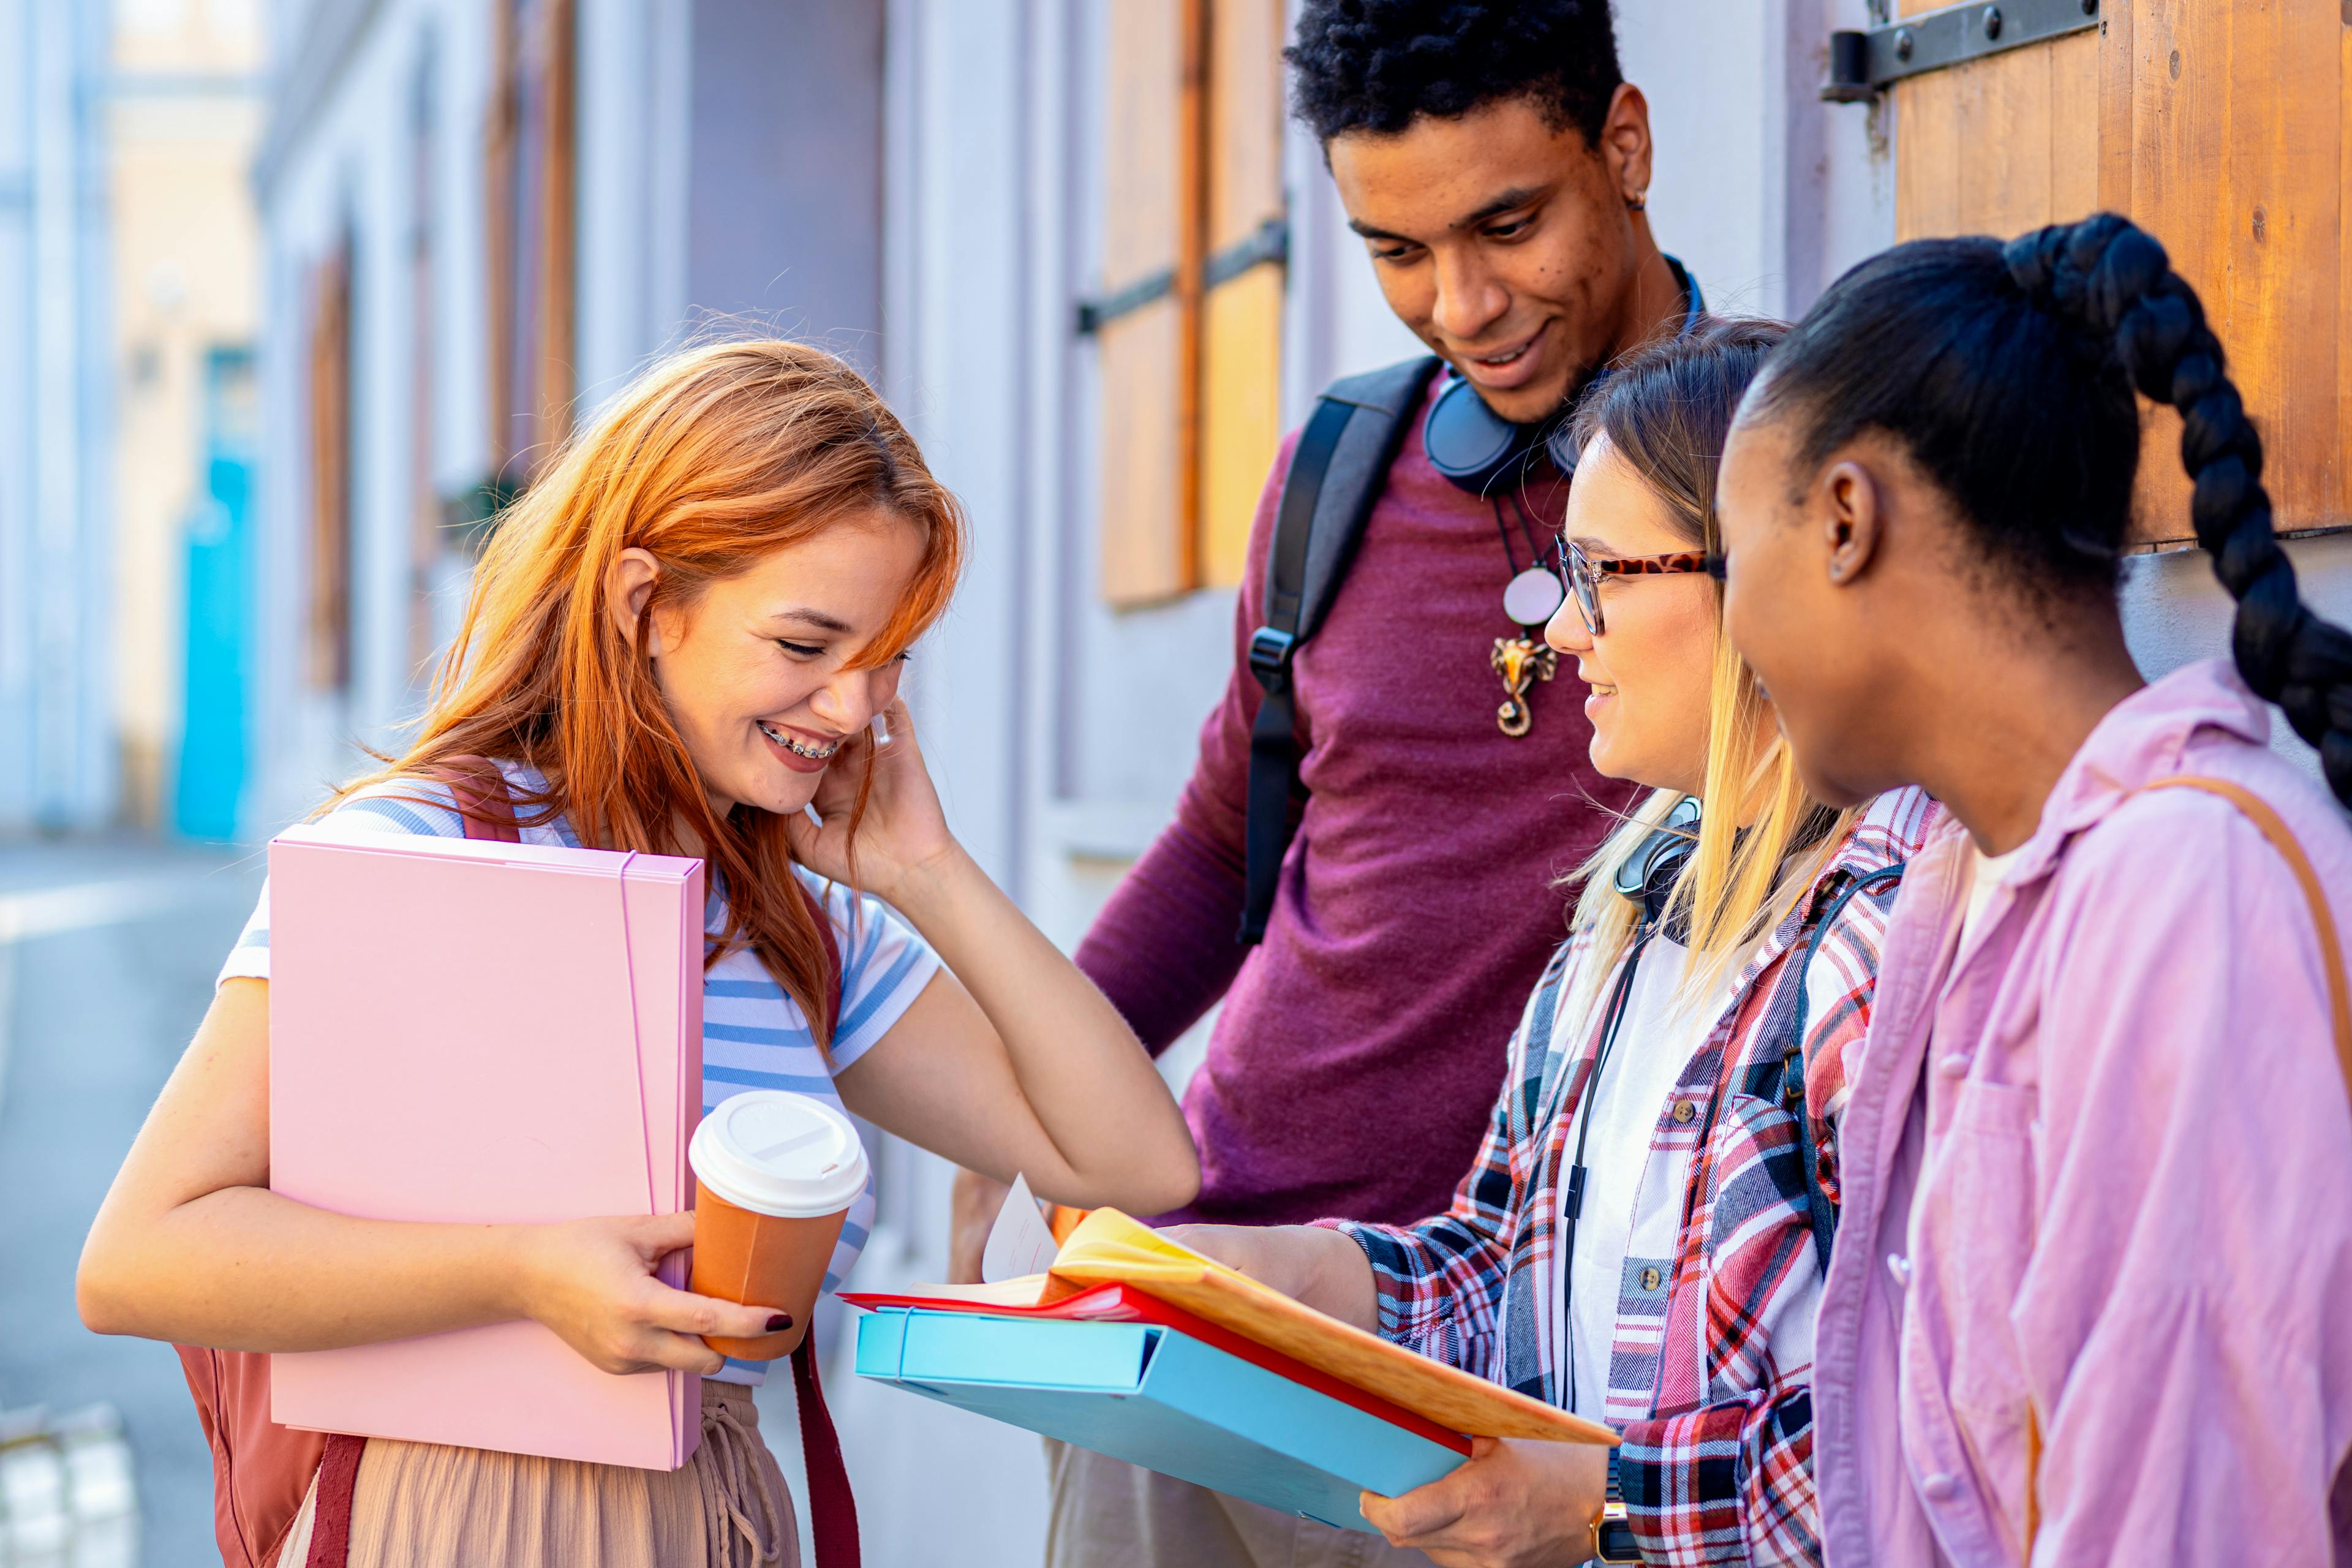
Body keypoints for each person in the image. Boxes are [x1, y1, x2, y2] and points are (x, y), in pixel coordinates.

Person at [75, 340, 1200, 1568]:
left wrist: (929, 869)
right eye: (806, 644)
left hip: (720, 1506)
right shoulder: (424, 844)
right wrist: (522, 1273)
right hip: (463, 1513)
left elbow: (1135, 1159)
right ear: (644, 603)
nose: (851, 708)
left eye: (885, 662)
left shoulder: (799, 919)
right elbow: (139, 1255)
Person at [984, 5, 1700, 1559]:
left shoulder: (1759, 463)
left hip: (1493, 1338)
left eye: (1509, 224)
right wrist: (1033, 1130)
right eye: (1398, 250)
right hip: (1201, 1294)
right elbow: (1220, 844)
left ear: (1624, 147)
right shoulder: (1335, 466)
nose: (1467, 305)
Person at [1174, 323, 1935, 1568]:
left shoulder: (1891, 945)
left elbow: (1939, 1419)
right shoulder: (1625, 904)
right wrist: (1304, 1278)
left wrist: (1614, 1499)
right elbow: (1510, 1253)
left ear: (1764, 578)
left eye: (1602, 576)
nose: (1557, 636)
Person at [1714, 215, 2352, 1564]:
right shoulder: (1968, 879)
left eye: (1730, 556)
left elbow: (2189, 1515)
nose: (1735, 633)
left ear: (1844, 517)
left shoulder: (2193, 894)